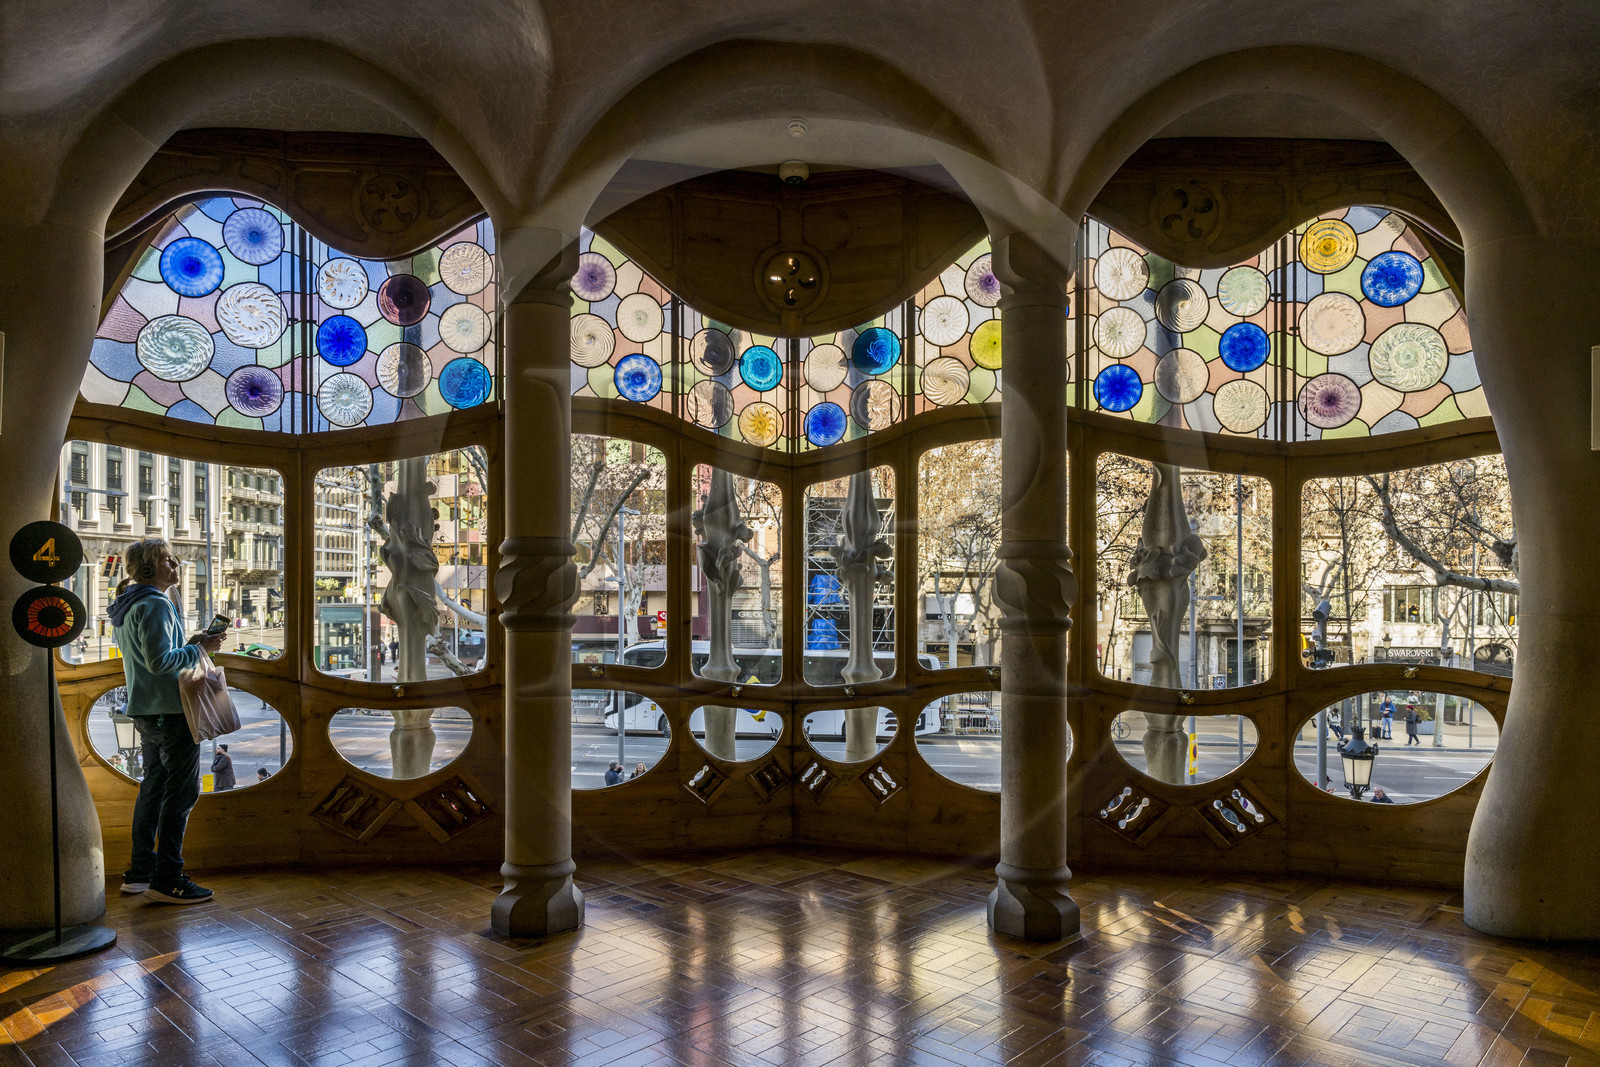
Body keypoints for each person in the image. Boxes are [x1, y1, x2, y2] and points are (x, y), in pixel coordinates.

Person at [109, 537, 225, 904]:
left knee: (153, 789)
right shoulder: (156, 603)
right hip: (171, 712)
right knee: (182, 792)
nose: (175, 565)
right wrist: (200, 648)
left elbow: (151, 657)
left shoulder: (128, 602)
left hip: (146, 710)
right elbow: (160, 663)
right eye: (167, 560)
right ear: (148, 568)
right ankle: (169, 878)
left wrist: (190, 643)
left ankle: (140, 872)